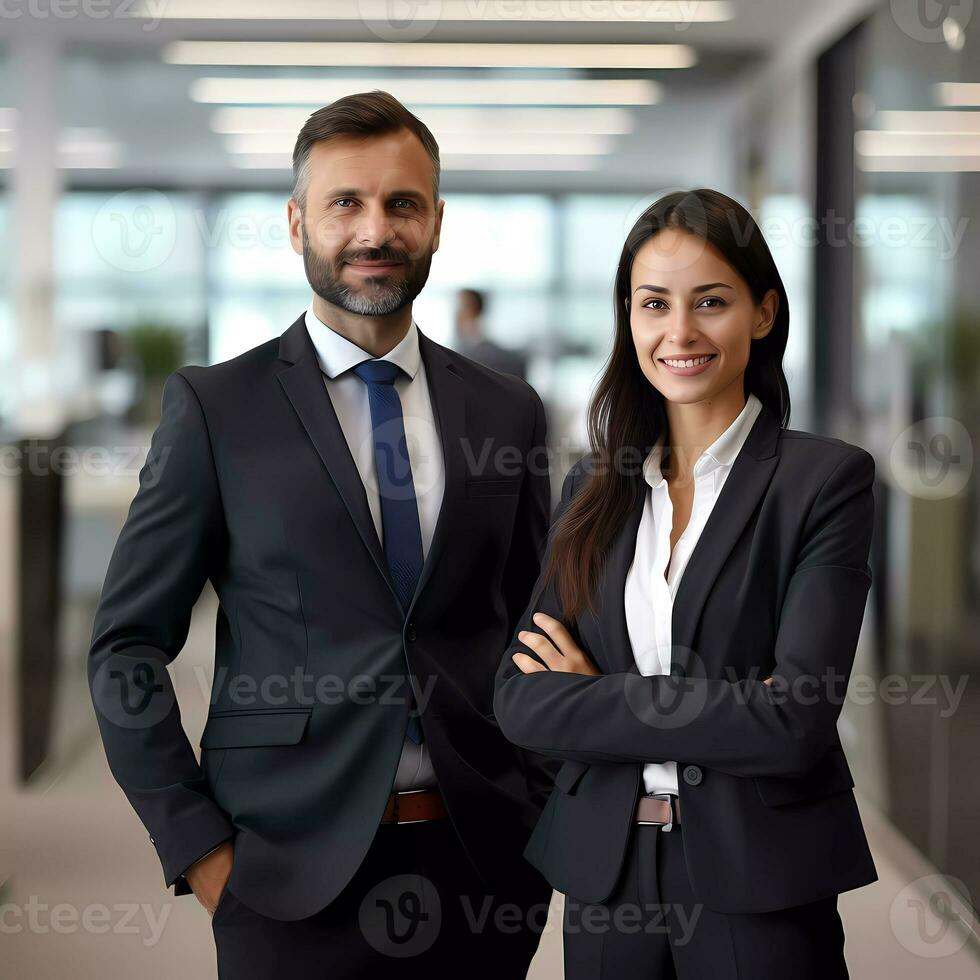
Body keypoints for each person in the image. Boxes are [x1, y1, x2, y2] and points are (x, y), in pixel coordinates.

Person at [88, 90, 555, 979]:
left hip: (482, 873)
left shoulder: (508, 411)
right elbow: (124, 649)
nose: (374, 230)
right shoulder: (218, 409)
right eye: (346, 203)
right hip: (284, 882)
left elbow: (536, 626)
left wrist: (538, 817)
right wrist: (201, 852)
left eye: (401, 204)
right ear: (297, 222)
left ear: (438, 223)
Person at [493, 188, 878, 979]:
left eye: (711, 302)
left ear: (763, 313)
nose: (680, 332)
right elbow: (521, 699)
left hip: (758, 878)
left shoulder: (822, 481)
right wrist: (730, 704)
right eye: (653, 304)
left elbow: (796, 719)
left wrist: (596, 696)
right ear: (628, 319)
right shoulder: (592, 491)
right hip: (609, 878)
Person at [453, 288, 528, 381]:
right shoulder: (460, 348)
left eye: (460, 307)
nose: (456, 314)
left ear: (473, 311)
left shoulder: (485, 354)